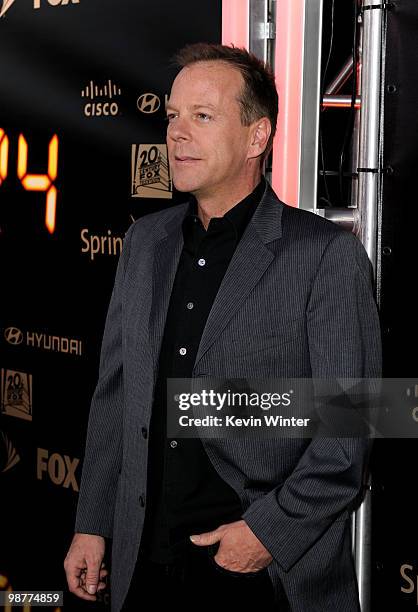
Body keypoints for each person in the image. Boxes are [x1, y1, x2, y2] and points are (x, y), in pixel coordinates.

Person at [64, 43, 382, 612]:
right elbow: (116, 398)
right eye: (172, 116)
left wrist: (266, 534)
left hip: (262, 580)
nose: (177, 134)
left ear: (257, 138)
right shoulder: (144, 244)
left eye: (202, 117)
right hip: (145, 566)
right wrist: (93, 523)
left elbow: (351, 430)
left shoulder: (325, 255)